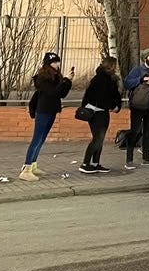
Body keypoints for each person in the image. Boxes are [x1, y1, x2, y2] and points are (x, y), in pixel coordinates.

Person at [19, 52, 74, 182]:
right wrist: (64, 80)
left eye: (58, 62)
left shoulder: (56, 77)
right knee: (36, 139)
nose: (57, 64)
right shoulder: (41, 78)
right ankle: (26, 169)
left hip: (52, 110)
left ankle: (33, 165)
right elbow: (52, 92)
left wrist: (68, 81)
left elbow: (61, 94)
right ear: (48, 64)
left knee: (42, 139)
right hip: (43, 110)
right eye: (55, 62)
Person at [79, 57, 122, 174]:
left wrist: (116, 104)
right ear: (111, 66)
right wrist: (114, 105)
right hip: (97, 112)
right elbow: (105, 96)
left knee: (99, 138)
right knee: (98, 138)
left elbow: (114, 95)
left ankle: (95, 163)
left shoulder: (106, 78)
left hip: (100, 111)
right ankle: (85, 163)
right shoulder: (102, 79)